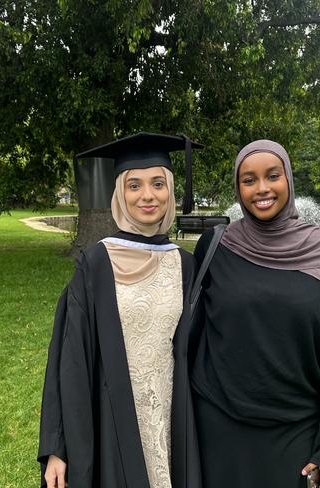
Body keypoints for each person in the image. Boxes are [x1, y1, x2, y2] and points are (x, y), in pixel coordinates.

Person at [190, 140, 320, 488]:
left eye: (272, 176)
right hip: (216, 425)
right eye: (249, 180)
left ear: (288, 179)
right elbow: (191, 334)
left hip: (294, 431)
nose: (261, 189)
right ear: (238, 187)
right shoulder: (217, 247)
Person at [38, 133, 202, 488]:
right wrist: (57, 446)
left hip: (173, 420)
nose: (147, 195)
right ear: (120, 193)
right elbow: (69, 359)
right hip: (112, 421)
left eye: (158, 184)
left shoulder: (185, 265)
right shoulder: (95, 264)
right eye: (134, 185)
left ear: (171, 191)